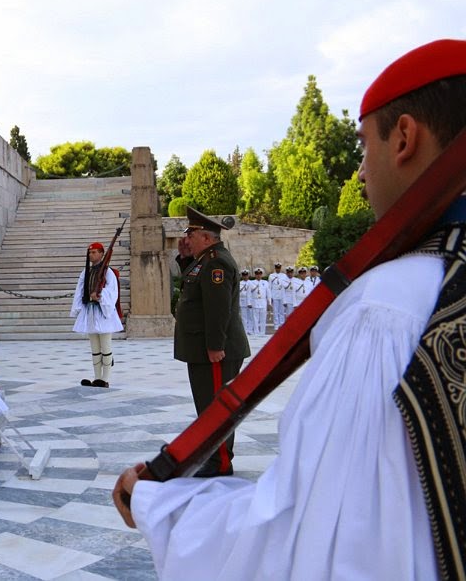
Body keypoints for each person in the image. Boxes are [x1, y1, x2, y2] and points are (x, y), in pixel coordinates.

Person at [113, 38, 466, 580]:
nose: (360, 174)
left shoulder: (387, 310)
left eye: (363, 147)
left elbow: (309, 539)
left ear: (404, 138)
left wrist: (163, 508)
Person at [172, 207, 251, 477]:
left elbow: (218, 309)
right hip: (203, 349)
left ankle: (220, 462)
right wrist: (184, 258)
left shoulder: (216, 262)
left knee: (215, 407)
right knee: (207, 406)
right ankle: (212, 455)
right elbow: (192, 285)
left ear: (206, 237)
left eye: (190, 234)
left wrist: (216, 346)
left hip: (216, 351)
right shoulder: (204, 259)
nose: (187, 239)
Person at [70, 241, 123, 387]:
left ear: (101, 253)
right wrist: (83, 302)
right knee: (94, 347)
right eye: (90, 252)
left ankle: (105, 379)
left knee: (105, 346)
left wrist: (99, 295)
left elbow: (112, 292)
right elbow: (80, 290)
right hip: (91, 312)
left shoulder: (108, 272)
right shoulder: (86, 272)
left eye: (94, 252)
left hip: (103, 313)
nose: (91, 255)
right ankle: (97, 377)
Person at [268, 262, 287, 329]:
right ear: (275, 268)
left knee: (282, 311)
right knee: (275, 311)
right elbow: (269, 287)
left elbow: (285, 286)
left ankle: (282, 324)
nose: (278, 269)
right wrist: (270, 298)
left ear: (280, 268)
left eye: (279, 268)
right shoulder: (271, 276)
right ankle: (276, 325)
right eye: (277, 268)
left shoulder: (284, 276)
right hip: (274, 295)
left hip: (282, 295)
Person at [250, 268, 268, 335]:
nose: (258, 275)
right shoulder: (251, 283)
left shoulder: (265, 283)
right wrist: (249, 302)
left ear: (261, 275)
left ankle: (262, 332)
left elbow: (268, 293)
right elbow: (249, 293)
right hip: (255, 301)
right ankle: (256, 332)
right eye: (257, 274)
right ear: (255, 275)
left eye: (260, 274)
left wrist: (269, 302)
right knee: (255, 318)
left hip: (263, 301)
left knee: (263, 318)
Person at [238, 269, 252, 334]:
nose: (245, 277)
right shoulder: (240, 283)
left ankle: (250, 330)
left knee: (250, 316)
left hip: (251, 301)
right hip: (243, 301)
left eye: (246, 275)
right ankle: (245, 331)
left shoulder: (252, 283)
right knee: (244, 317)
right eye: (244, 275)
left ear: (248, 275)